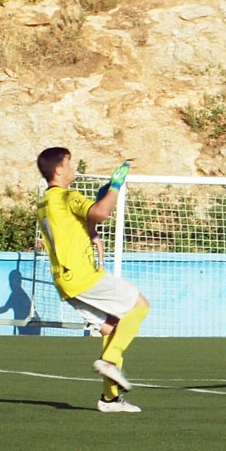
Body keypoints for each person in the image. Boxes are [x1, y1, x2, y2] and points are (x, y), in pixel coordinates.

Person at [36, 147, 149, 413]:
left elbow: (81, 225)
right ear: (59, 169)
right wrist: (116, 186)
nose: (73, 167)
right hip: (83, 275)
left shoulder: (45, 202)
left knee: (111, 327)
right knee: (140, 305)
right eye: (69, 163)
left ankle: (109, 399)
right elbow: (100, 213)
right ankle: (109, 361)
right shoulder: (66, 196)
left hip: (65, 281)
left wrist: (92, 229)